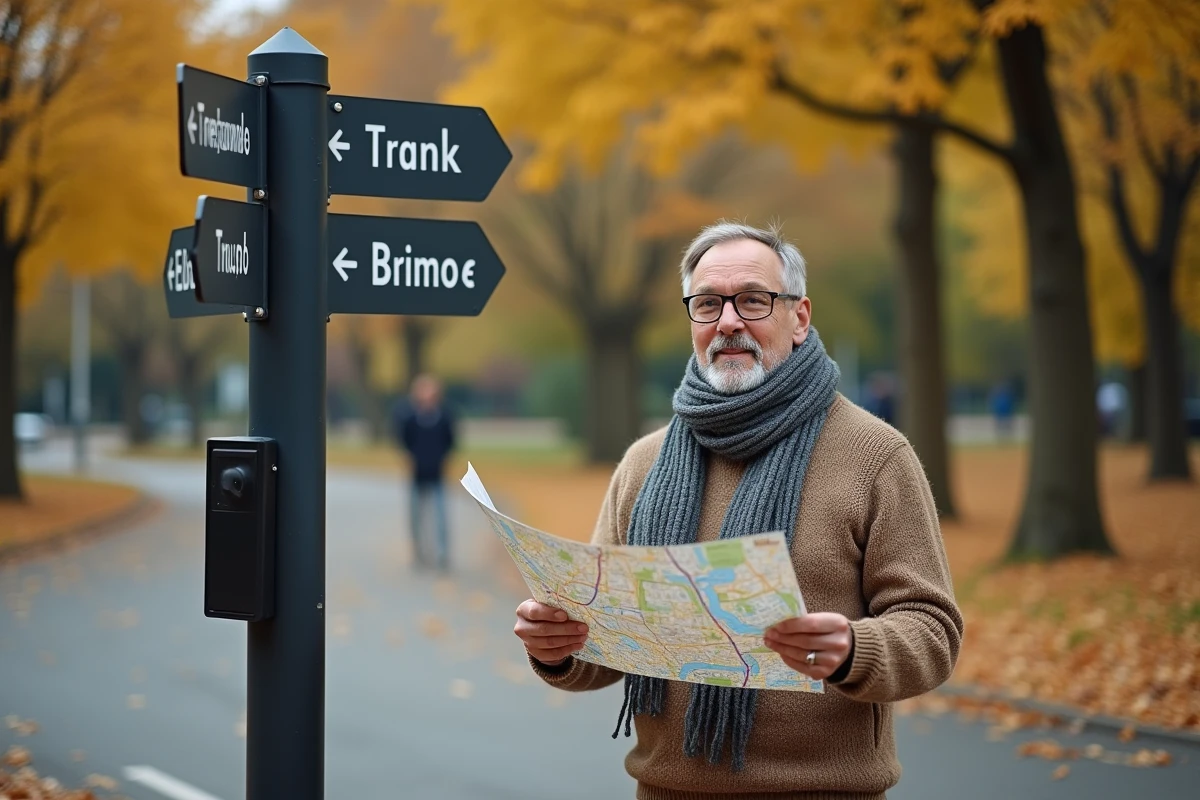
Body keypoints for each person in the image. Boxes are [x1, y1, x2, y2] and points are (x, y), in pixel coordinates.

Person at [513, 222, 963, 799]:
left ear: (799, 318)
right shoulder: (643, 465)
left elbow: (933, 631)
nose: (728, 321)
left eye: (753, 300)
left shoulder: (876, 457)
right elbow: (611, 641)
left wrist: (855, 649)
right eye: (707, 304)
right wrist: (559, 647)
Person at [394, 374, 456, 571]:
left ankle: (442, 553)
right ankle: (418, 553)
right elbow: (403, 441)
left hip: (437, 474)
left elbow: (451, 442)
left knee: (440, 516)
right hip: (417, 475)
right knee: (415, 516)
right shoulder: (410, 417)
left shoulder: (444, 417)